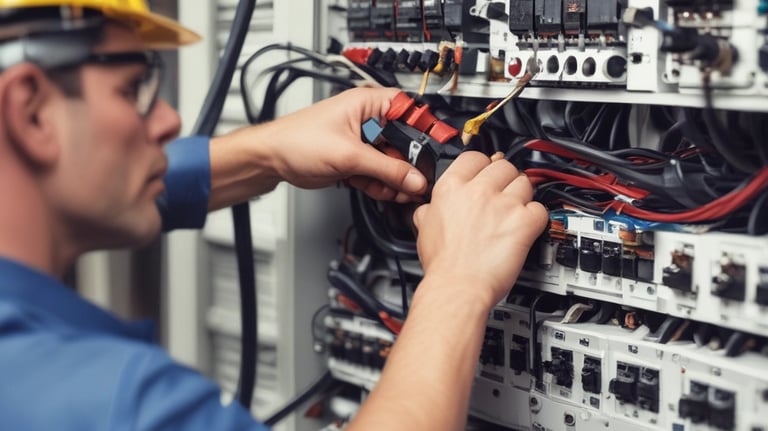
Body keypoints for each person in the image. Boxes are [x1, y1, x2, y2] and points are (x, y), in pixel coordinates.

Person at [0, 1, 548, 430]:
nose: (168, 120)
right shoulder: (109, 401)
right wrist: (458, 283)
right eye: (133, 89)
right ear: (31, 110)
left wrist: (267, 152)